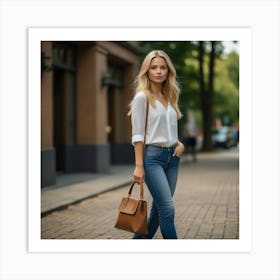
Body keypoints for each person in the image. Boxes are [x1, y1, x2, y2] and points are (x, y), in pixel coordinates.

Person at [128, 50, 185, 239]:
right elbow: (138, 135)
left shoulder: (170, 96)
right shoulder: (142, 98)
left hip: (173, 158)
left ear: (168, 71)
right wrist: (139, 166)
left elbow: (165, 130)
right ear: (147, 71)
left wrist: (179, 143)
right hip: (152, 159)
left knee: (158, 212)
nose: (158, 71)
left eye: (162, 67)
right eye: (154, 68)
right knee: (167, 210)